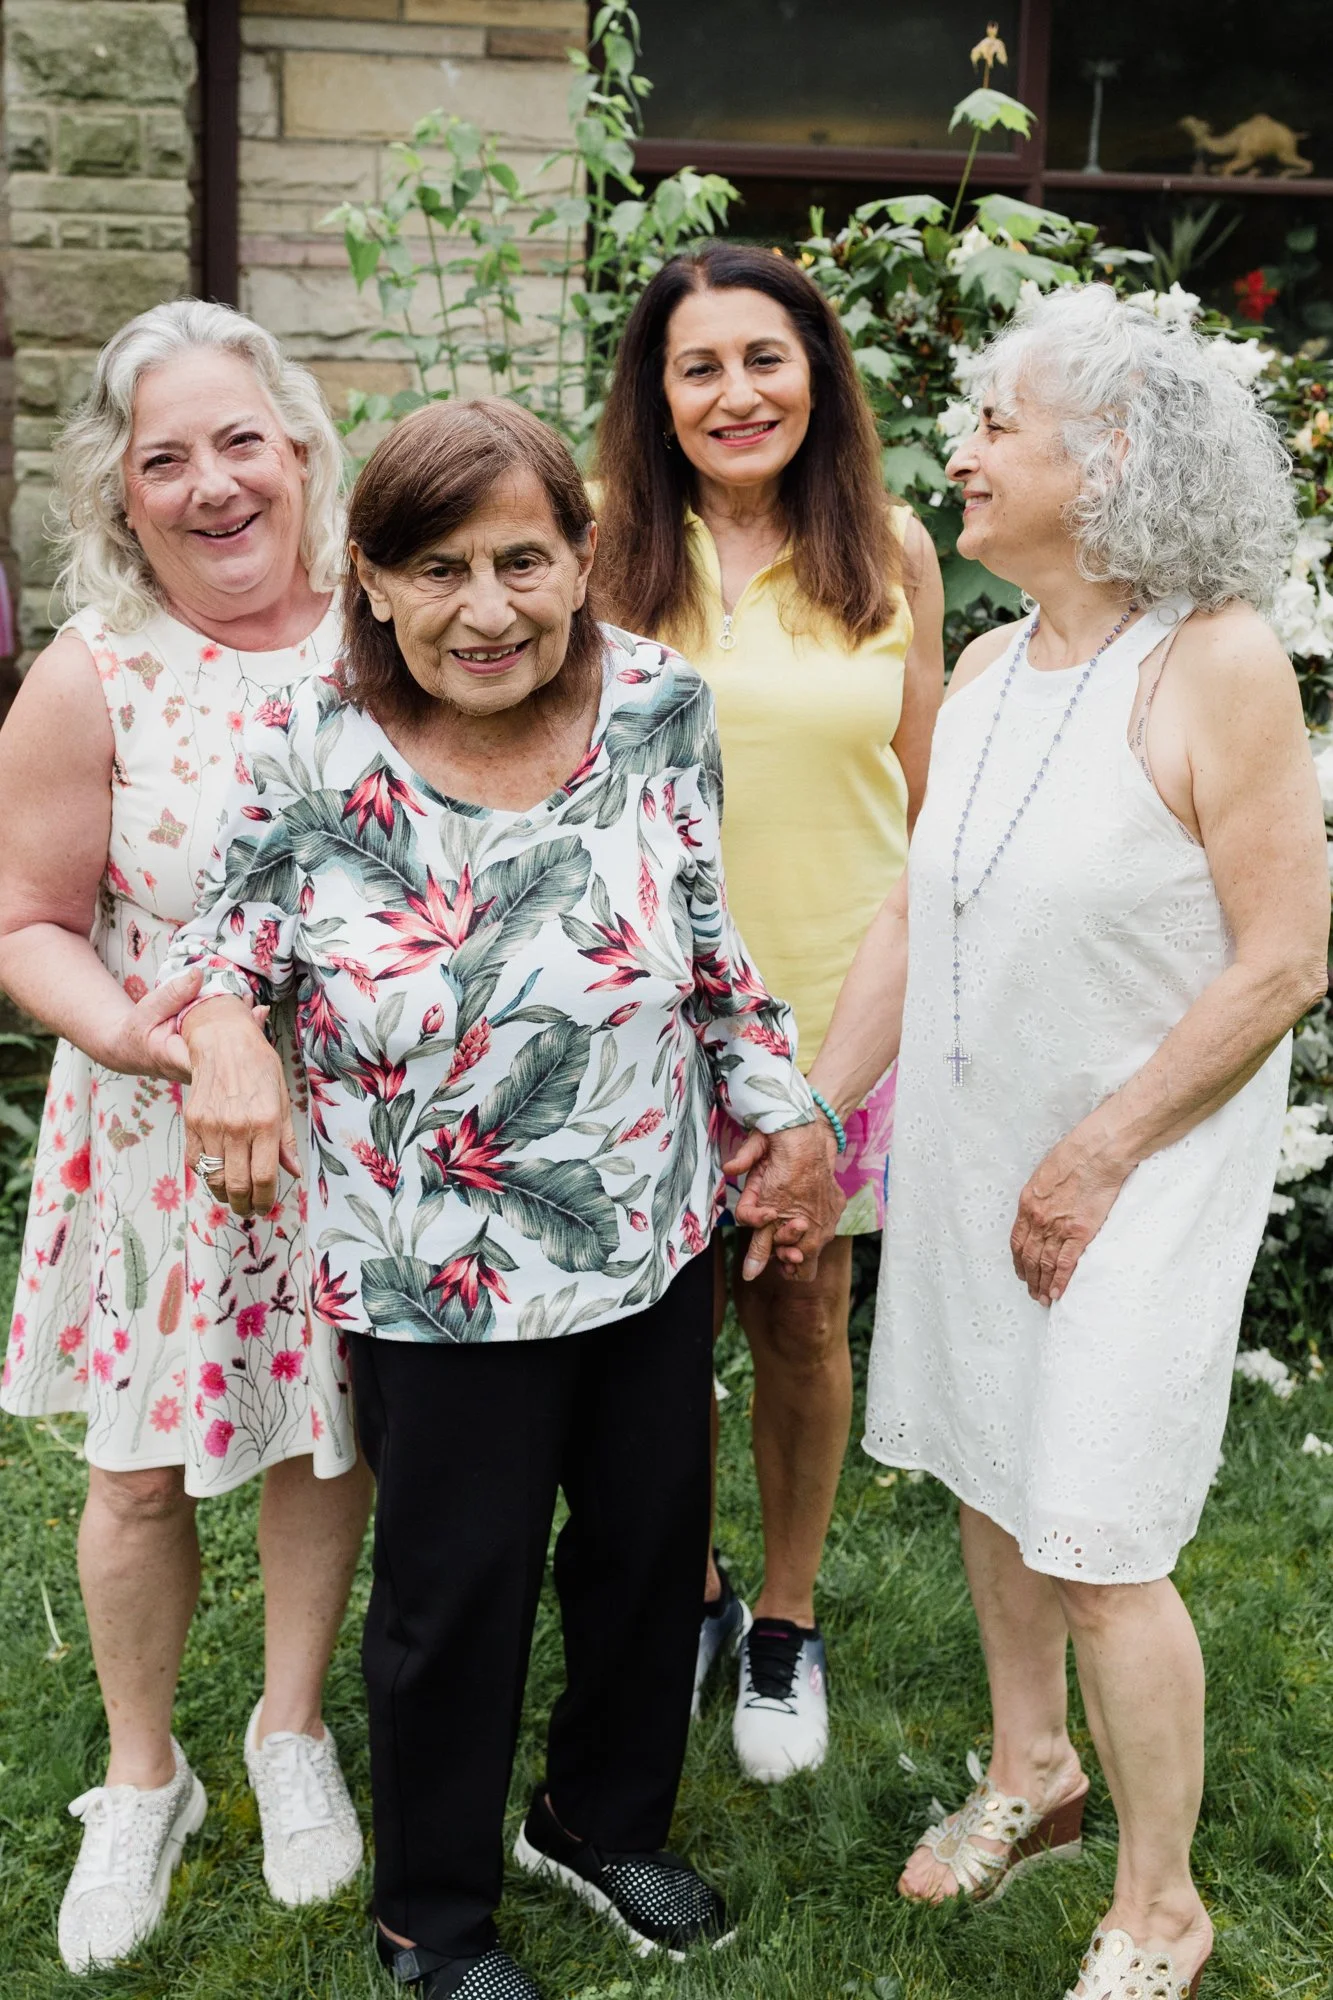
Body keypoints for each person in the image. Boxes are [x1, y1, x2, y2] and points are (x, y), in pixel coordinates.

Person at [161, 397, 842, 2000]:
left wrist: (784, 1112)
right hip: (433, 1263)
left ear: (585, 554)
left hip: (648, 1223)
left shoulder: (661, 702)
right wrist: (220, 1042)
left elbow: (704, 935)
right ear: (373, 583)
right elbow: (219, 955)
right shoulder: (317, 743)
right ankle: (433, 1918)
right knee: (454, 1591)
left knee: (642, 1549)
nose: (488, 610)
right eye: (439, 570)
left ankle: (600, 1820)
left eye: (524, 561)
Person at [757, 284, 1329, 1999]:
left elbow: (1288, 955)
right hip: (970, 1151)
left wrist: (1096, 1158)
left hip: (1136, 1163)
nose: (961, 447)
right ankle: (1036, 1773)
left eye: (999, 422)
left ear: (1119, 457)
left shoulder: (1215, 659)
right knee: (1001, 1477)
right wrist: (816, 1112)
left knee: (1096, 1534)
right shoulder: (998, 664)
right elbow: (913, 922)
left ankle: (1165, 1906)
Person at [0, 301, 373, 1973]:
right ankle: (139, 1774)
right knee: (138, 1473)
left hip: (352, 1135)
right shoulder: (94, 674)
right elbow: (25, 924)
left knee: (322, 1438)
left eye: (242, 442)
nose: (215, 485)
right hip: (154, 1131)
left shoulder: (388, 633)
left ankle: (289, 1731)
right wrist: (146, 1038)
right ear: (120, 495)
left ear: (299, 451)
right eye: (168, 459)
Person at [594, 242, 944, 1781]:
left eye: (764, 358)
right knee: (652, 1343)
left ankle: (786, 1622)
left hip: (836, 1006)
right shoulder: (599, 550)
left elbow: (931, 814)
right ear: (657, 397)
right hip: (637, 1019)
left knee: (800, 1311)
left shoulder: (891, 549)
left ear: (816, 373)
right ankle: (696, 1595)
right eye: (699, 367)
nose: (737, 393)